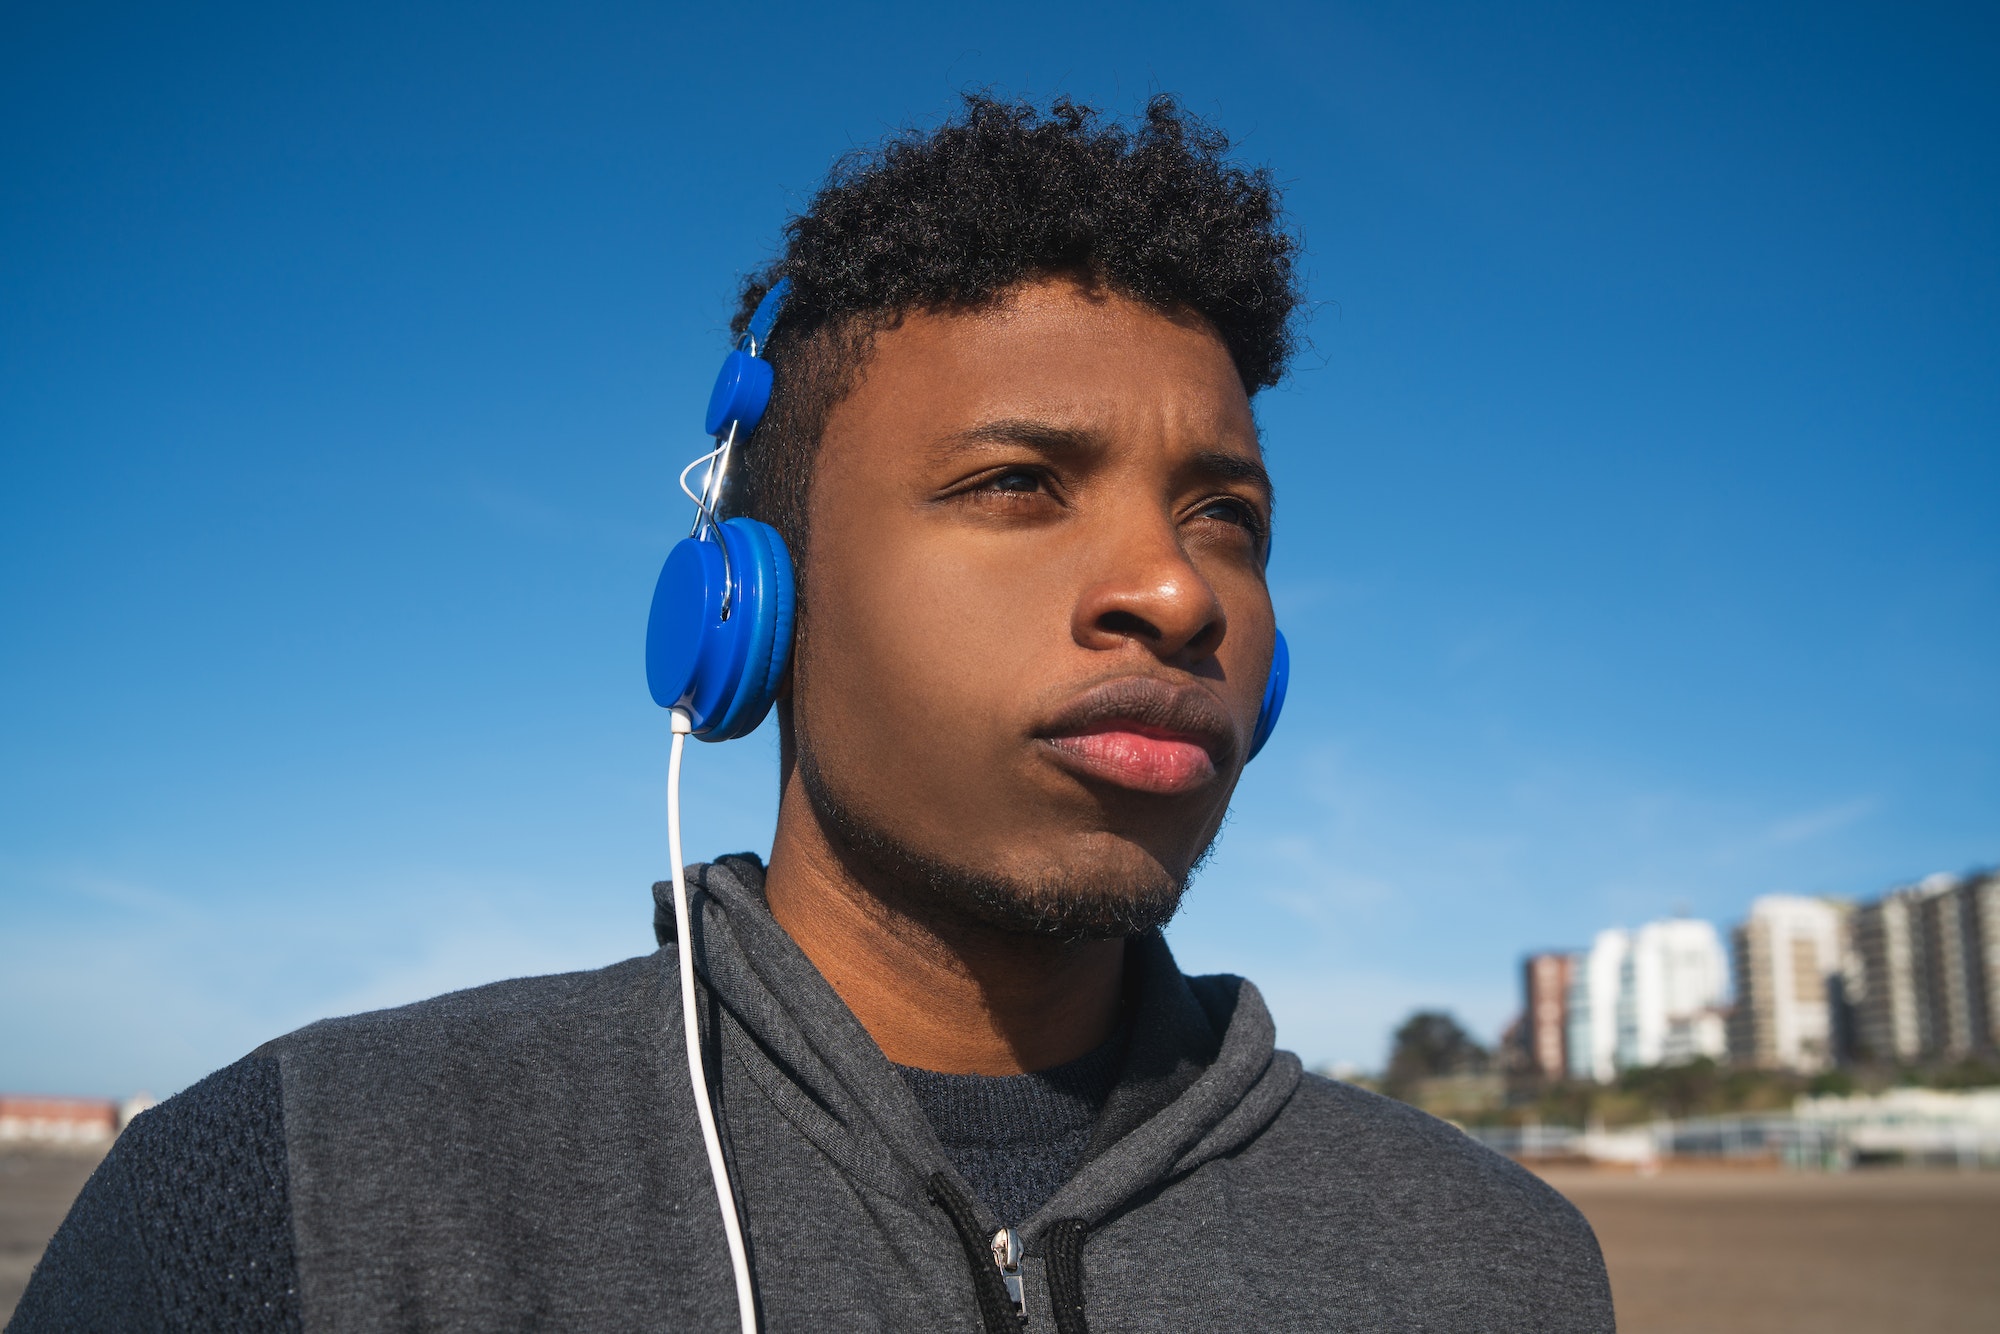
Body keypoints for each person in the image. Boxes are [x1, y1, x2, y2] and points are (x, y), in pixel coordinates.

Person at [13, 96, 1612, 1333]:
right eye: (1017, 483)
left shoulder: (1499, 1264)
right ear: (748, 607)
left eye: (1226, 518)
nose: (1178, 592)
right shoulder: (301, 1201)